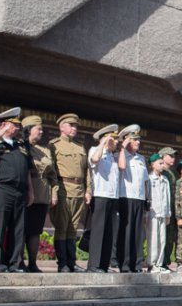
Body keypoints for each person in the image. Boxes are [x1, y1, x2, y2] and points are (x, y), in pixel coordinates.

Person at [0, 108, 34, 272]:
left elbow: (27, 170)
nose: (18, 128)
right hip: (2, 189)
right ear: (3, 125)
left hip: (20, 190)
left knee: (18, 229)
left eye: (18, 125)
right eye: (14, 125)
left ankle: (14, 264)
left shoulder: (21, 144)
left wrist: (30, 191)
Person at [48, 113, 89, 273]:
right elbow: (51, 172)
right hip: (63, 189)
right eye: (71, 125)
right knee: (62, 227)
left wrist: (88, 190)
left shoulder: (80, 147)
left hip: (79, 191)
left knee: (73, 228)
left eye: (76, 126)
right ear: (61, 127)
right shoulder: (54, 145)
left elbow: (87, 172)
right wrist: (54, 191)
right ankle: (62, 263)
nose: (74, 128)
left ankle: (72, 263)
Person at [21, 116, 58, 272]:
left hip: (42, 194)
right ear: (28, 130)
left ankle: (33, 263)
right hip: (25, 194)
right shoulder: (21, 147)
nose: (42, 131)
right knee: (21, 230)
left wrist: (54, 193)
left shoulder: (45, 150)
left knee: (35, 230)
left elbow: (53, 176)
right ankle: (18, 262)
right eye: (39, 129)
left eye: (42, 129)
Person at [86, 124, 120, 273]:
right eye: (114, 139)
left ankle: (104, 265)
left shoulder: (113, 156)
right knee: (98, 231)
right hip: (100, 195)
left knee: (109, 233)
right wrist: (103, 143)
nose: (117, 142)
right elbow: (94, 160)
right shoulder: (95, 150)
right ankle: (93, 265)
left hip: (113, 197)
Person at [117, 125, 148, 273]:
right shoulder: (121, 156)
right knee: (127, 232)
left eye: (138, 140)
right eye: (134, 140)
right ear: (127, 141)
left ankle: (136, 264)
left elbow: (145, 182)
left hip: (139, 199)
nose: (138, 143)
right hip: (126, 197)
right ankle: (124, 264)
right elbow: (121, 168)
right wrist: (122, 147)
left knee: (137, 233)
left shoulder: (141, 158)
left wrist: (147, 201)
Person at [146, 153, 172, 272]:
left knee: (162, 239)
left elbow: (167, 197)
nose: (162, 166)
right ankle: (152, 264)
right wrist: (145, 213)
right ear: (152, 165)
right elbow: (147, 196)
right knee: (153, 239)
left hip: (163, 213)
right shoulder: (149, 178)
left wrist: (168, 213)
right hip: (153, 213)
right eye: (160, 163)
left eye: (162, 163)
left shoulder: (165, 179)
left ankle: (160, 264)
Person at [157, 147, 179, 269]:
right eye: (170, 156)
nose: (173, 158)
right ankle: (159, 262)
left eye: (173, 156)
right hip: (164, 208)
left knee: (170, 237)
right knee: (162, 236)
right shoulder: (160, 171)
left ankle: (166, 261)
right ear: (163, 156)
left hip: (174, 209)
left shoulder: (174, 172)